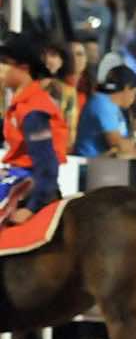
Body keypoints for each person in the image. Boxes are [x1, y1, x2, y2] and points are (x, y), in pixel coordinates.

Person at [0, 35, 70, 223]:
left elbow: (47, 165)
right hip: (17, 178)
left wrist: (32, 208)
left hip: (29, 187)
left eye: (4, 63)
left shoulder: (33, 110)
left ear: (23, 67)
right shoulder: (21, 105)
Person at [74, 65, 136, 158]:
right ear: (127, 88)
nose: (134, 99)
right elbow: (116, 143)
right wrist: (131, 144)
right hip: (88, 162)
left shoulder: (116, 108)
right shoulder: (102, 103)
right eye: (134, 93)